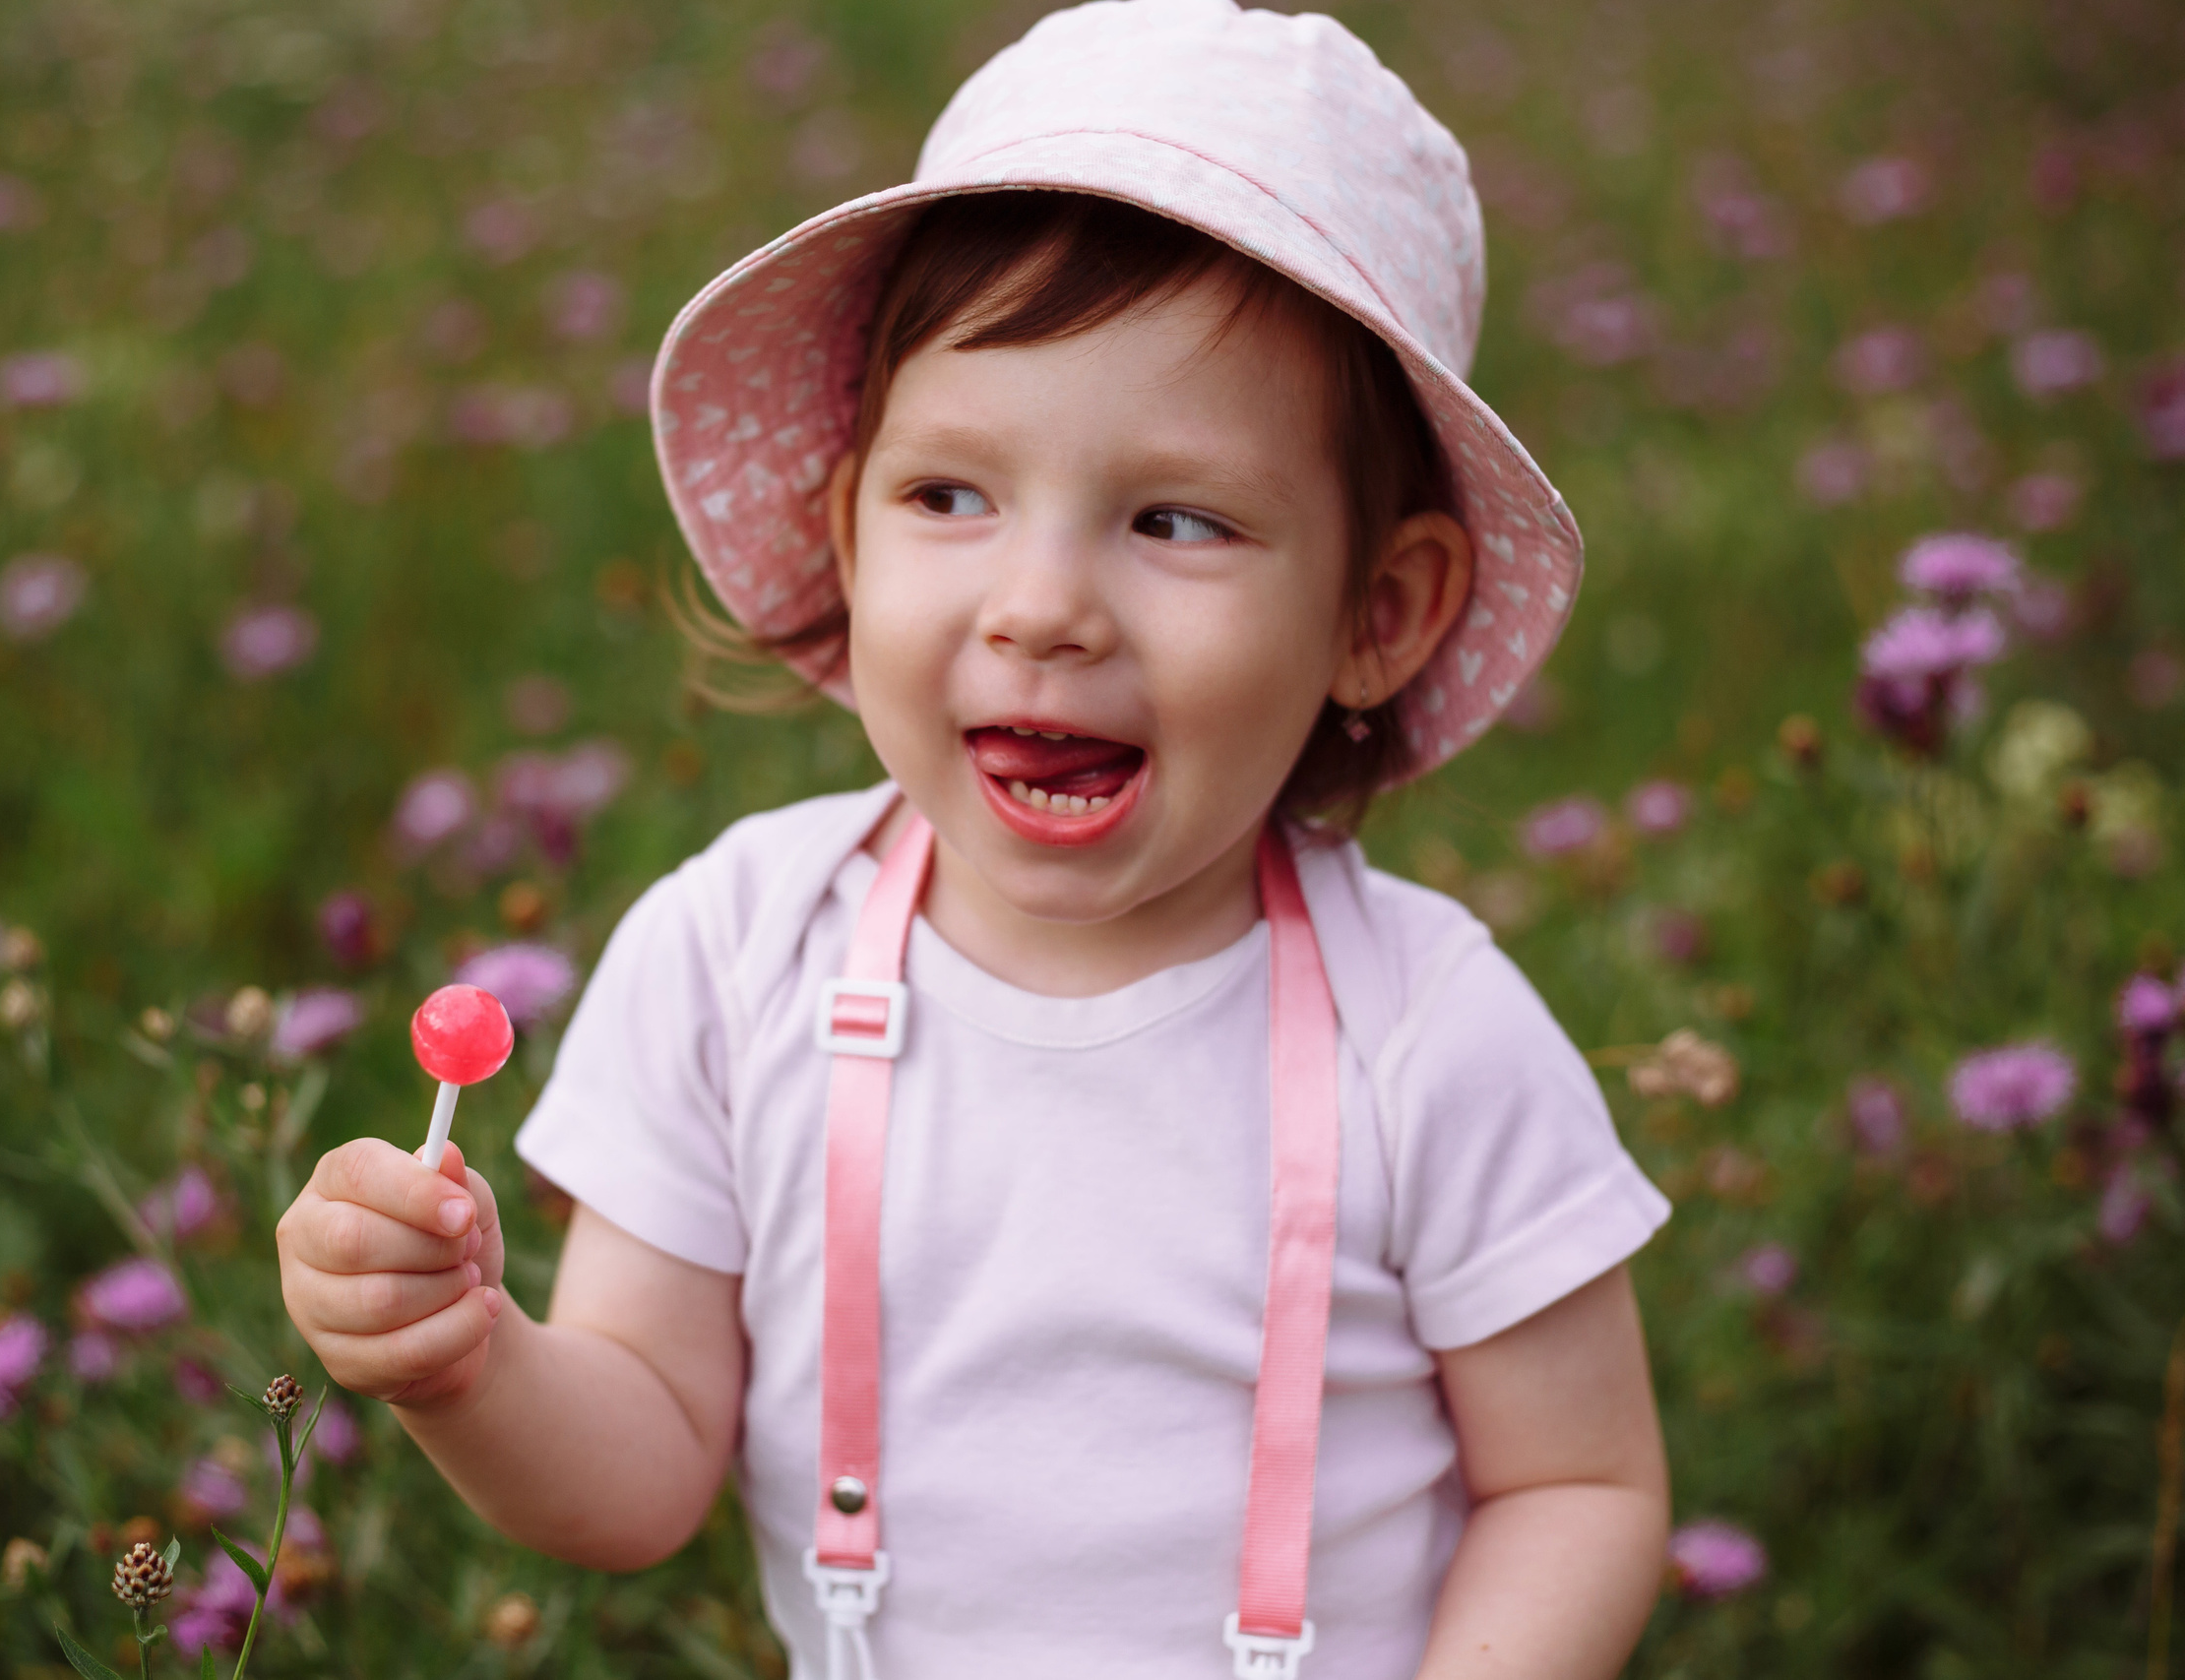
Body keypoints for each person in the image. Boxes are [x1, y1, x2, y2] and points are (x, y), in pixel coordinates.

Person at [279, 4, 1673, 1675]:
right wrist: (467, 1364)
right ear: (845, 528)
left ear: (1379, 611)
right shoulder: (735, 959)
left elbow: (1576, 1486)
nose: (1042, 608)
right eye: (952, 496)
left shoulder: (1429, 1032)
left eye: (1177, 519)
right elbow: (642, 1459)